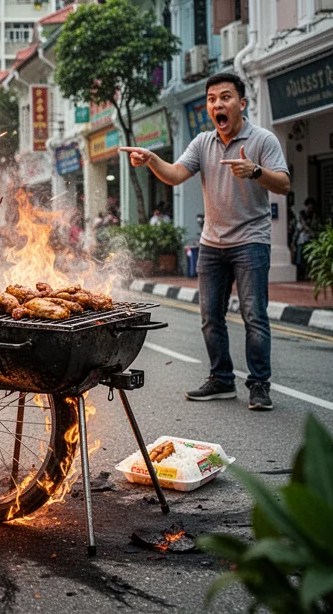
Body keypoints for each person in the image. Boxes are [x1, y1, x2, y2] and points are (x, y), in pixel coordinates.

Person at [120, 72, 290, 411]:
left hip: (251, 241)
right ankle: (222, 379)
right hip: (212, 243)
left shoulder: (263, 140)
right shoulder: (202, 143)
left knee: (254, 315)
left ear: (241, 103)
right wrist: (151, 159)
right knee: (210, 316)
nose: (217, 104)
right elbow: (175, 174)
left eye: (225, 97)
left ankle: (259, 385)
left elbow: (283, 184)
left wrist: (255, 171)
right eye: (212, 99)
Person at [294, 197, 320, 279]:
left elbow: (316, 226)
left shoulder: (314, 215)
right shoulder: (301, 214)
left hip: (310, 240)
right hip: (301, 240)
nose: (310, 209)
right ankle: (300, 276)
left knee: (310, 259)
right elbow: (300, 227)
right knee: (300, 260)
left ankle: (307, 275)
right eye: (309, 207)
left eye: (311, 208)